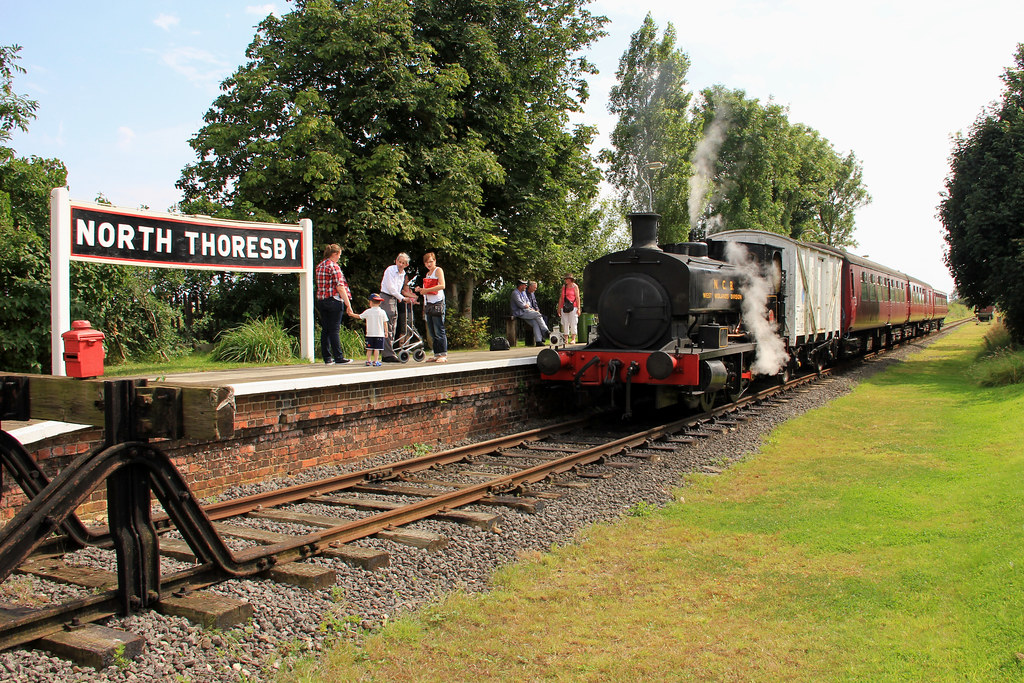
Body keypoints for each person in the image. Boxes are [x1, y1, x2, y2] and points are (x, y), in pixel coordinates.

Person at [314, 243, 354, 365]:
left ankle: (327, 358)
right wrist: (348, 305)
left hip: (322, 300)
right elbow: (340, 287)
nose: (339, 258)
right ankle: (338, 357)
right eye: (339, 255)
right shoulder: (334, 267)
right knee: (335, 329)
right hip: (334, 300)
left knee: (325, 329)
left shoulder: (319, 266)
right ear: (335, 254)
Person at [415, 251, 447, 363]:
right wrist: (420, 290)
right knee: (432, 331)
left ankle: (443, 354)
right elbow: (427, 291)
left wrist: (426, 290)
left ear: (435, 261)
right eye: (427, 262)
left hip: (438, 303)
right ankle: (436, 353)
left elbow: (442, 285)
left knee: (439, 329)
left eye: (431, 261)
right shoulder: (427, 274)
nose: (429, 264)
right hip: (428, 304)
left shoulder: (438, 270)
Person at [380, 252, 416, 342]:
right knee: (388, 324)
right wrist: (402, 298)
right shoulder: (390, 270)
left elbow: (398, 289)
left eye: (403, 263)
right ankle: (388, 353)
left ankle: (390, 349)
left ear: (406, 264)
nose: (400, 264)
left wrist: (399, 298)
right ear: (396, 261)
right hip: (387, 297)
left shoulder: (403, 273)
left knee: (393, 324)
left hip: (394, 299)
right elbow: (391, 288)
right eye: (399, 262)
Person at [350, 294, 390, 366]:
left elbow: (359, 316)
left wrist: (352, 314)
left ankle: (368, 361)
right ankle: (376, 361)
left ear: (371, 302)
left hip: (370, 334)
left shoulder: (368, 311)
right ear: (380, 302)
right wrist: (386, 332)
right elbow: (385, 323)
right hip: (379, 334)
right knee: (377, 349)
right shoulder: (382, 312)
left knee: (369, 348)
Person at [511, 279, 549, 346]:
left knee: (535, 323)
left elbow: (528, 302)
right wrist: (526, 306)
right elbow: (521, 304)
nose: (526, 286)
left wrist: (527, 305)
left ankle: (538, 341)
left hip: (526, 311)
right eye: (525, 285)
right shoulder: (515, 293)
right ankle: (545, 330)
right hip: (519, 312)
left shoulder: (523, 292)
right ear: (520, 286)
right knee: (537, 314)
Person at [558, 274, 582, 344]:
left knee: (573, 322)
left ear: (570, 279)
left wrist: (578, 308)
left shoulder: (575, 286)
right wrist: (559, 308)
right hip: (564, 306)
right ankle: (566, 338)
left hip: (573, 306)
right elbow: (561, 297)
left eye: (567, 279)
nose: (565, 280)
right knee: (565, 322)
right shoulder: (564, 287)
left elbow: (577, 297)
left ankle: (573, 338)